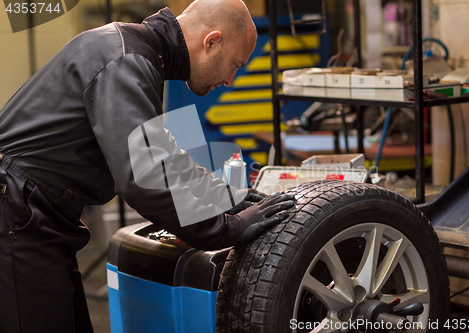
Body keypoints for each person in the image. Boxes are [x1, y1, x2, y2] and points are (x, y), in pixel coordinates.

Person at [0, 0, 295, 332]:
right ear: (211, 42)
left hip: (38, 217)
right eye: (235, 65)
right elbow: (144, 179)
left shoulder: (140, 54)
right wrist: (229, 229)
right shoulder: (127, 60)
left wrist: (230, 197)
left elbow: (163, 156)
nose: (230, 80)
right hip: (16, 216)